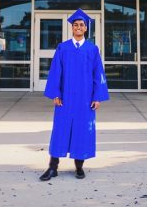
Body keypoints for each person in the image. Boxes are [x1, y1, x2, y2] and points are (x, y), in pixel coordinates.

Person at [39, 9, 110, 181]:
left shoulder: (92, 49)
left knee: (82, 131)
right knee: (60, 131)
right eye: (76, 25)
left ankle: (79, 167)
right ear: (72, 28)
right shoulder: (63, 48)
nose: (78, 27)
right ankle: (52, 167)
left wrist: (97, 97)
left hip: (85, 99)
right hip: (66, 98)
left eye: (81, 25)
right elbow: (56, 72)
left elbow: (98, 73)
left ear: (86, 28)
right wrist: (56, 93)